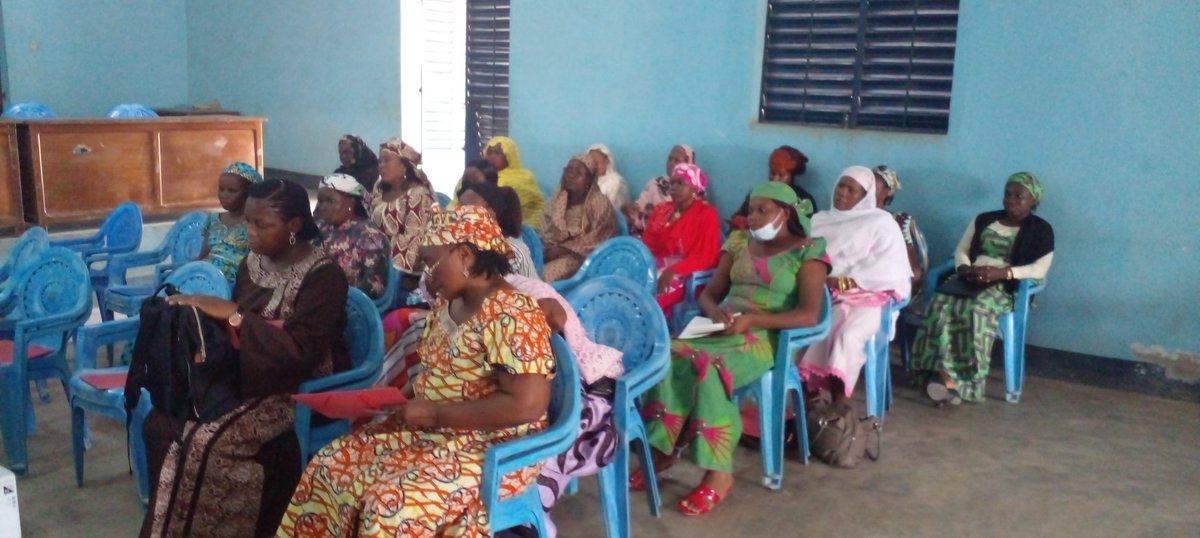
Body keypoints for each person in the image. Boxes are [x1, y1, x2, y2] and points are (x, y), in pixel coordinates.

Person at [277, 205, 556, 537]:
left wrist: (435, 414)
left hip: (496, 446)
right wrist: (394, 400)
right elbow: (439, 374)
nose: (427, 276)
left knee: (391, 502)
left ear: (465, 256)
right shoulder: (446, 306)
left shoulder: (512, 313)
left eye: (430, 263)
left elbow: (527, 405)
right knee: (331, 465)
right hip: (437, 431)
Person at [140, 179, 350, 538]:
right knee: (163, 422)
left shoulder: (324, 276)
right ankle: (173, 524)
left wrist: (234, 313)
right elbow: (231, 333)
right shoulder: (252, 262)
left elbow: (302, 352)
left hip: (295, 385)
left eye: (261, 224)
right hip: (246, 371)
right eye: (248, 222)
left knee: (210, 440)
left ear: (294, 226)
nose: (249, 232)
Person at [635, 182, 828, 515]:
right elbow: (709, 294)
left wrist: (752, 321)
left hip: (765, 338)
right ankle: (664, 445)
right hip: (721, 328)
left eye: (763, 210)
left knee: (707, 367)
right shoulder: (740, 242)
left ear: (786, 213)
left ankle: (719, 472)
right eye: (751, 209)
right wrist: (716, 313)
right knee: (663, 355)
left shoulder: (808, 251)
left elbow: (809, 314)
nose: (753, 217)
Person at [909, 172, 1054, 405]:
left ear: (1033, 201)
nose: (1011, 200)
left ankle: (959, 382)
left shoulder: (1041, 230)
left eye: (1020, 196)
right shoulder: (983, 219)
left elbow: (1039, 269)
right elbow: (962, 251)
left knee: (976, 309)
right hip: (971, 277)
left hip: (1007, 286)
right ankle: (936, 374)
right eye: (1007, 194)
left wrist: (1002, 273)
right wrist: (965, 269)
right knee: (942, 302)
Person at [504, 273, 623, 538]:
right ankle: (525, 516)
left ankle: (530, 517)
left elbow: (555, 317)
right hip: (551, 380)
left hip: (589, 381)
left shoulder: (514, 292)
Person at [799, 166, 911, 405]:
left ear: (865, 196)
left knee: (845, 336)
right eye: (841, 185)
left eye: (852, 190)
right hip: (819, 292)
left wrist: (842, 281)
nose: (842, 193)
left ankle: (839, 405)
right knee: (801, 330)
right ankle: (810, 402)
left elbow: (887, 267)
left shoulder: (881, 223)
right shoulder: (819, 220)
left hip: (868, 297)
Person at [640, 162, 722, 314]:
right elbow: (648, 244)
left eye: (680, 183)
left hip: (687, 273)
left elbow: (706, 256)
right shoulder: (662, 210)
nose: (674, 188)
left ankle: (656, 333)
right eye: (672, 183)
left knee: (649, 302)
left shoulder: (706, 214)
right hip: (656, 267)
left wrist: (674, 270)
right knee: (628, 290)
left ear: (694, 188)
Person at [368, 137, 439, 291]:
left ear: (404, 166)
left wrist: (378, 252)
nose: (381, 165)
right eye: (380, 161)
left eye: (387, 160)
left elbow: (414, 239)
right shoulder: (379, 188)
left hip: (408, 266)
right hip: (378, 252)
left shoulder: (417, 194)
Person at [540, 154, 619, 281]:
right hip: (548, 251)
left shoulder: (599, 203)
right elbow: (545, 228)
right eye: (568, 170)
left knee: (545, 275)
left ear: (589, 179)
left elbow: (598, 238)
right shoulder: (558, 198)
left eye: (578, 173)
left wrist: (561, 249)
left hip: (580, 257)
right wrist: (543, 249)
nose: (571, 175)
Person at [314, 173, 391, 300]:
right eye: (320, 201)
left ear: (351, 203)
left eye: (330, 201)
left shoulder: (369, 236)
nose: (323, 207)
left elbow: (372, 287)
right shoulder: (320, 228)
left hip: (346, 305)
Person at [198, 161, 263, 285]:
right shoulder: (213, 219)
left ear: (248, 193)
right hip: (206, 278)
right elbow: (203, 255)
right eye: (221, 189)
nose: (224, 195)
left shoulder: (253, 225)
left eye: (232, 191)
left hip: (235, 284)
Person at [458, 180, 538, 279]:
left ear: (491, 213)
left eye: (465, 210)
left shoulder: (511, 251)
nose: (457, 216)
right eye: (457, 209)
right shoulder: (467, 246)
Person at [873, 165, 927, 306]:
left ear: (887, 192)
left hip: (882, 285)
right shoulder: (851, 218)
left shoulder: (898, 221)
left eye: (873, 186)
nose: (866, 190)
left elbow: (914, 273)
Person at [730, 145, 816, 231]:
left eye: (781, 175)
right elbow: (743, 214)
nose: (775, 179)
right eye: (772, 173)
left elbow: (808, 228)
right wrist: (740, 219)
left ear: (791, 176)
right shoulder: (758, 192)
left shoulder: (803, 199)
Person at [623, 144, 695, 235]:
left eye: (676, 160)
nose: (671, 163)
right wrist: (630, 210)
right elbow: (639, 208)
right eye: (670, 159)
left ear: (689, 163)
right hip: (648, 236)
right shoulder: (655, 183)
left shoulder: (695, 190)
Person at [484, 135, 545, 227]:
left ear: (509, 156)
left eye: (497, 153)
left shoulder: (523, 177)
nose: (492, 157)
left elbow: (502, 208)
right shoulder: (480, 175)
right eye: (489, 152)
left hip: (521, 230)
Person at [587, 143, 630, 209]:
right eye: (591, 163)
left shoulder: (616, 181)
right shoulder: (589, 182)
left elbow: (610, 208)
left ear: (606, 160)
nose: (594, 166)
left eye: (597, 162)